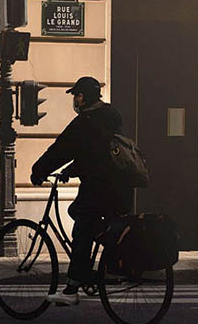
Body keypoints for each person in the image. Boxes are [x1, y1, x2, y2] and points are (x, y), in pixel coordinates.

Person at [30, 76, 130, 305]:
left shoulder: (85, 122)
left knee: (82, 227)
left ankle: (72, 288)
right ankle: (110, 265)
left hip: (99, 187)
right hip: (121, 186)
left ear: (82, 97)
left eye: (76, 95)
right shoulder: (111, 117)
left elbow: (62, 149)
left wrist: (39, 170)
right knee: (98, 224)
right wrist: (71, 171)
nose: (75, 100)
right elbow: (95, 154)